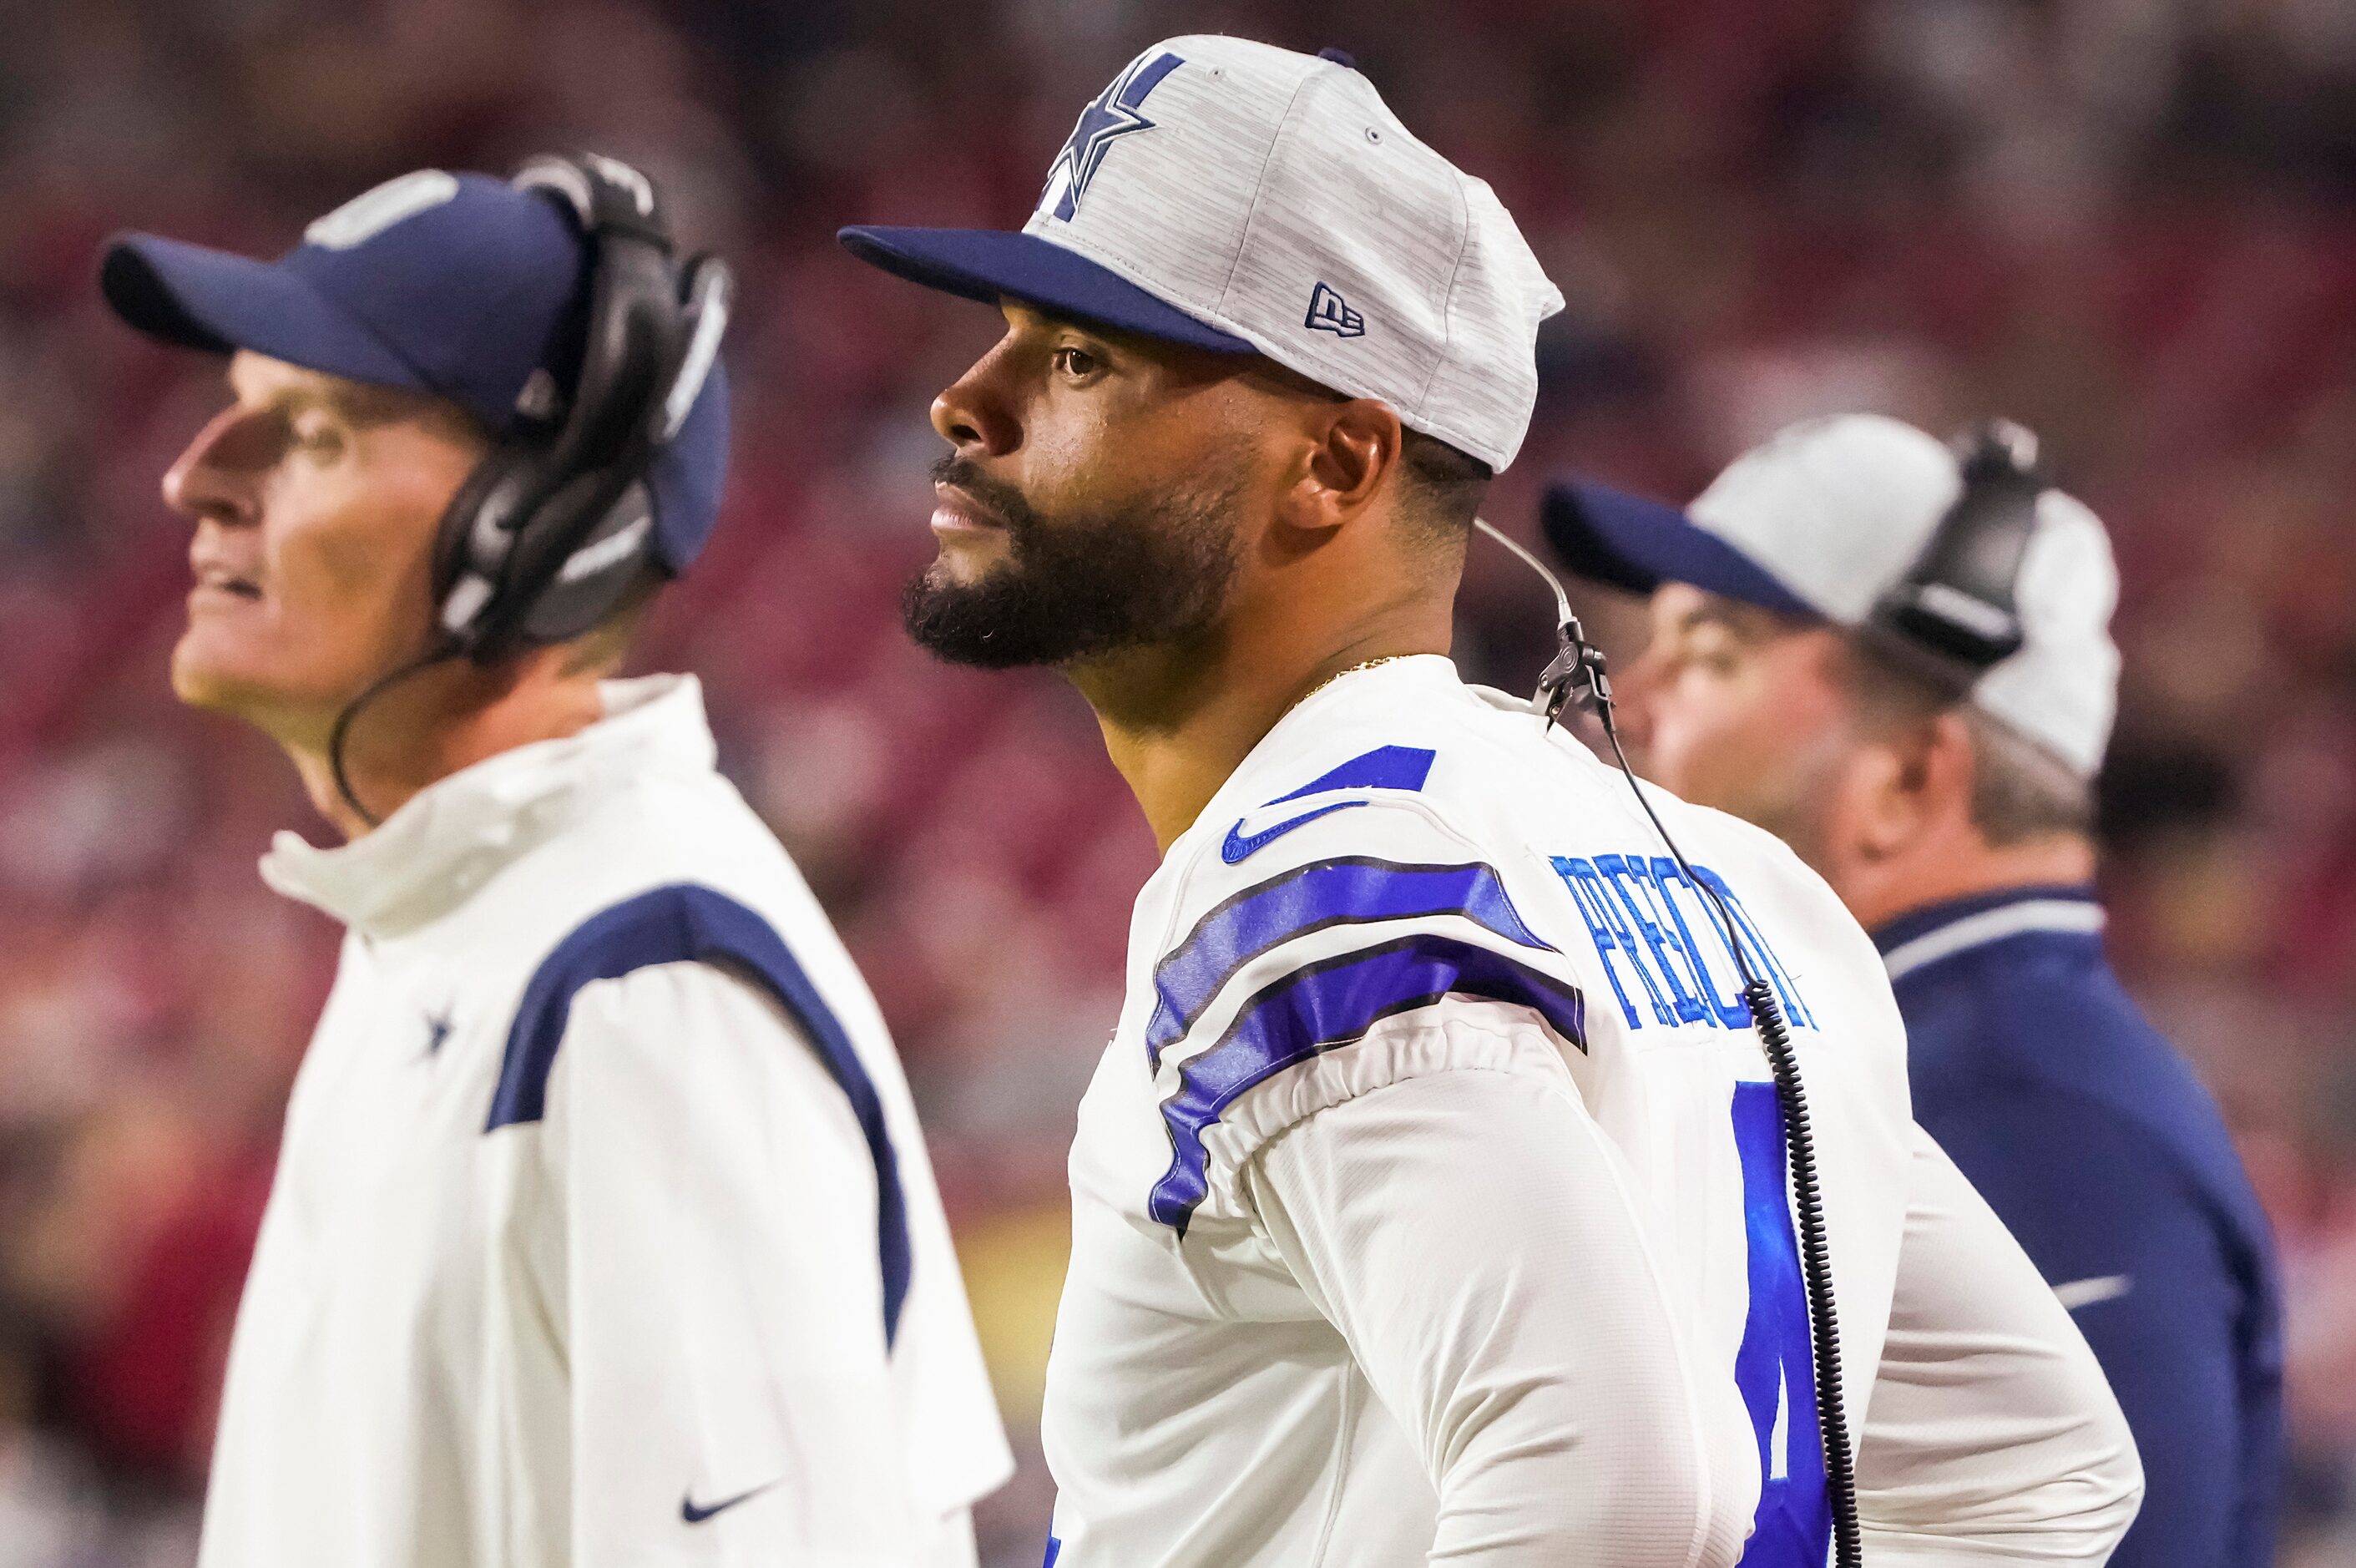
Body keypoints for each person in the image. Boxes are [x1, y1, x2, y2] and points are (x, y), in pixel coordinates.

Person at [842, 37, 2140, 1566]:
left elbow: (1610, 1498)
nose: (961, 402)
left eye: (1076, 360)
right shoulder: (1731, 880)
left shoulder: (1321, 877)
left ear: (1335, 461)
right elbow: (2034, 1467)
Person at [99, 156, 1009, 1566]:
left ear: (538, 526)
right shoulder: (454, 923)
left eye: (318, 432)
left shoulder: (643, 987)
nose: (195, 478)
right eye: (237, 413)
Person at [1544, 412, 2284, 1568]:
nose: (1620, 705)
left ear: (1905, 775)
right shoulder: (1933, 1061)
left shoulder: (2031, 1123)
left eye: (1710, 655)